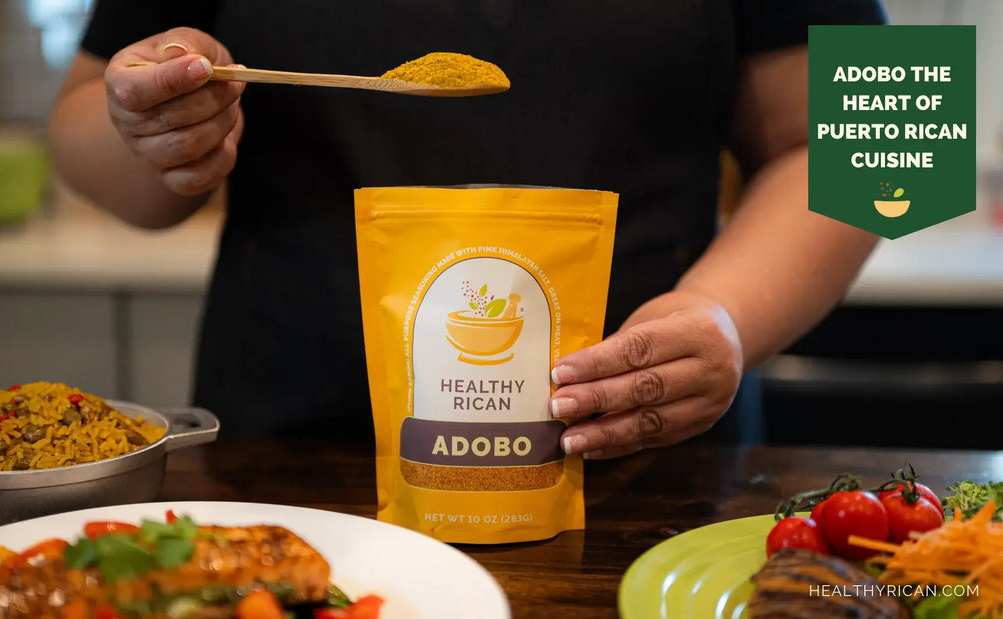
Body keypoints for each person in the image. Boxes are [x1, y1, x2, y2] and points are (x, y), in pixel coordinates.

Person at [49, 1, 886, 458]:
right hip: (295, 469)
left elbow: (893, 141)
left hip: (644, 475)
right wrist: (151, 129)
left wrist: (724, 311)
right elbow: (76, 123)